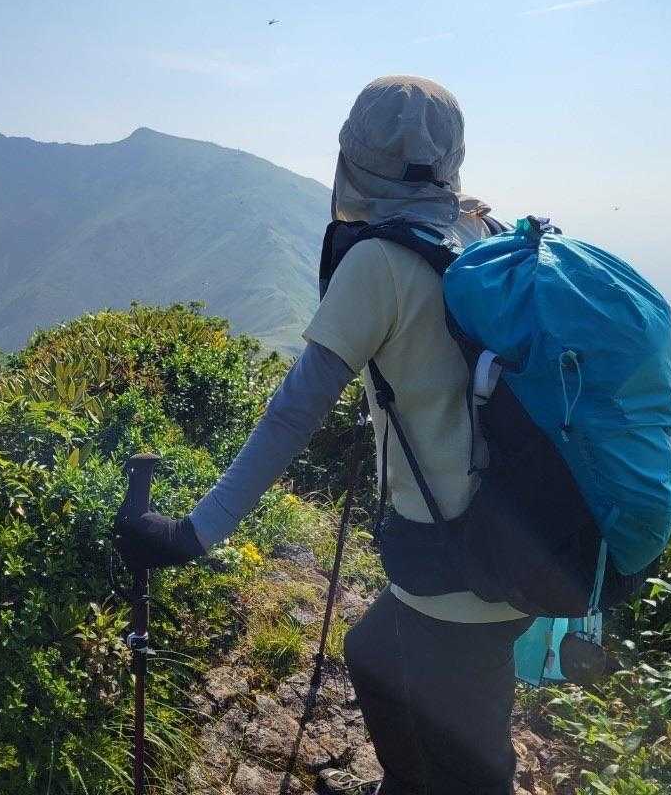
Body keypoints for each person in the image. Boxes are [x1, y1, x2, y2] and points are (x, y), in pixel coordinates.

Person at [113, 75, 531, 795]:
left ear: (354, 156)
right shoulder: (481, 234)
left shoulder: (379, 261)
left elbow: (293, 411)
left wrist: (192, 534)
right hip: (507, 532)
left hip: (460, 567)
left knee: (473, 765)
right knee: (373, 655)